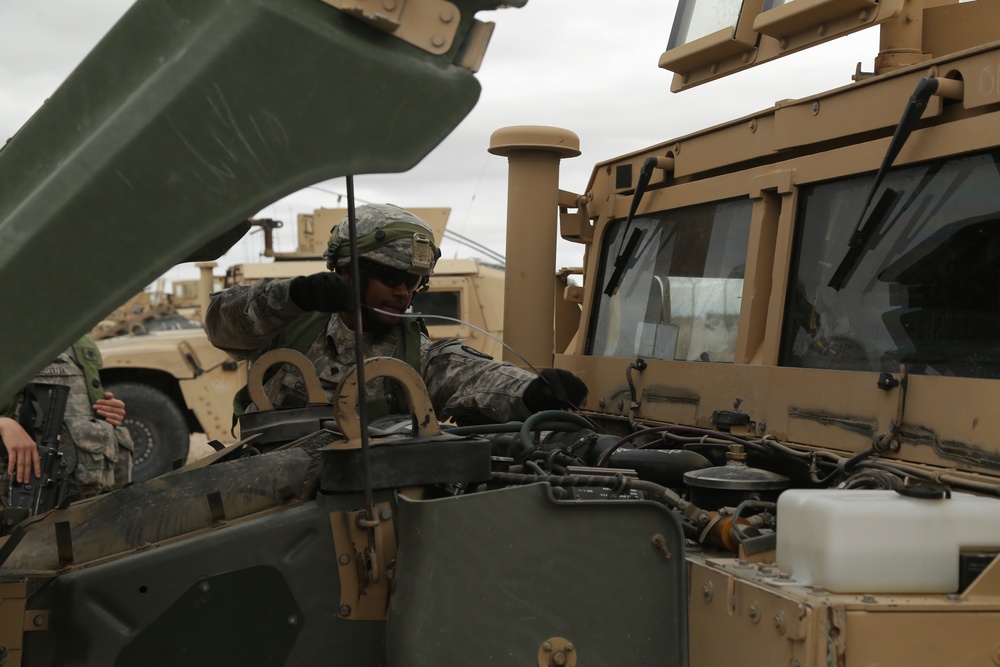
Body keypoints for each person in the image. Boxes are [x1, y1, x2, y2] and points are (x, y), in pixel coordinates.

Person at [205, 203, 587, 426]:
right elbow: (223, 326)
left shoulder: (411, 355)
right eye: (390, 277)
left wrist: (531, 390)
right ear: (348, 272)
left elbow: (469, 375)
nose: (402, 292)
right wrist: (292, 296)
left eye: (413, 282)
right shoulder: (288, 324)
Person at [0, 335, 134, 506]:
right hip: (20, 504)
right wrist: (3, 424)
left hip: (90, 500)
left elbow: (86, 412)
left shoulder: (81, 344)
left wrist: (111, 410)